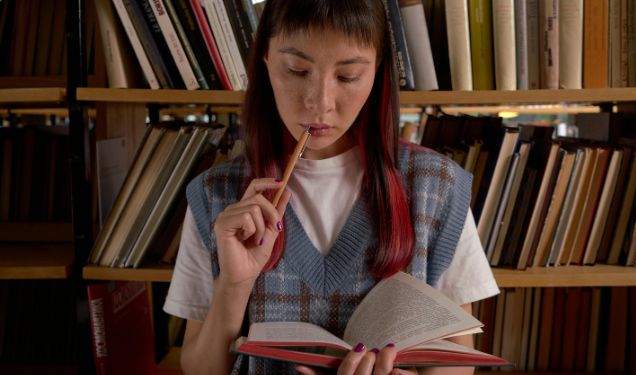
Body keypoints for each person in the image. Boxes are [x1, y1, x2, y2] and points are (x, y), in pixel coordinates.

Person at [163, 0, 499, 374]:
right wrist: (234, 285)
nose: (319, 102)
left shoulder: (436, 188)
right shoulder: (216, 195)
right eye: (297, 69)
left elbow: (456, 361)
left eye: (348, 76)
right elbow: (199, 369)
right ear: (266, 64)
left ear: (377, 74)